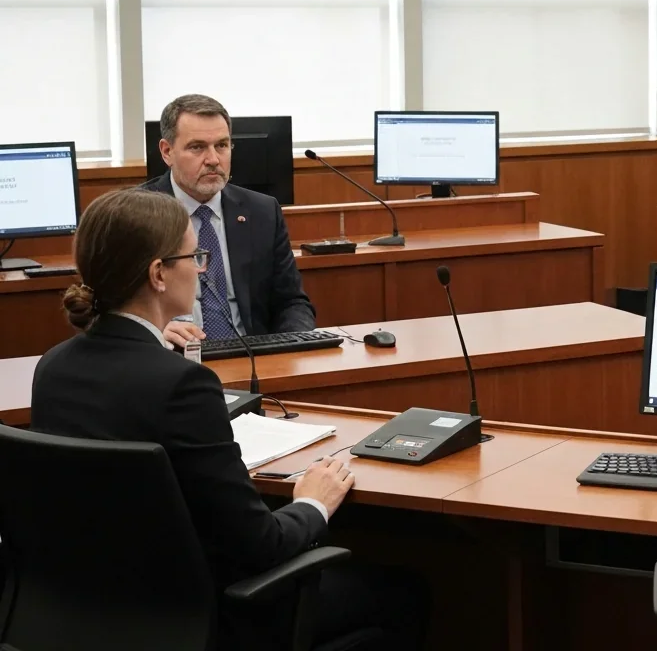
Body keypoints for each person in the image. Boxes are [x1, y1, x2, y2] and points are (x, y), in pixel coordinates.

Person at [29, 188, 422, 649]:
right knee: (406, 592)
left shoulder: (53, 368)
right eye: (194, 255)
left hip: (87, 611)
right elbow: (260, 546)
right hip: (206, 615)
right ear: (158, 274)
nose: (201, 268)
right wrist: (313, 503)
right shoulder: (182, 384)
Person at [142, 93, 314, 349]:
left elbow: (292, 303)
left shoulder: (263, 211)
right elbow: (109, 311)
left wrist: (288, 348)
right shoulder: (135, 215)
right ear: (167, 152)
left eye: (222, 145)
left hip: (252, 357)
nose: (213, 159)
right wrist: (153, 331)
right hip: (169, 360)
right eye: (197, 147)